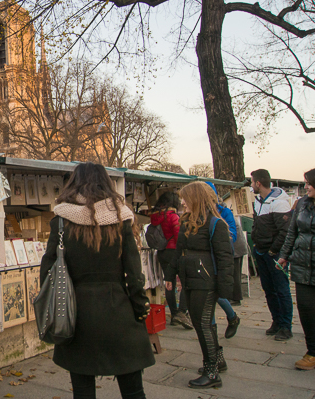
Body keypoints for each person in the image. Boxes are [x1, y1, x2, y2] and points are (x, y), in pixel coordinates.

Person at [40, 162, 155, 399]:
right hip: (119, 311)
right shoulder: (121, 218)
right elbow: (134, 274)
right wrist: (140, 308)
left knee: (83, 393)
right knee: (133, 391)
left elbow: (48, 270)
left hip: (77, 314)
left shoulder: (60, 220)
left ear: (74, 183)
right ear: (106, 183)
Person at [166, 182, 233, 389]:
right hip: (190, 280)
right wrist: (170, 275)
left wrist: (224, 289)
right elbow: (178, 252)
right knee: (204, 323)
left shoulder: (216, 224)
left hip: (205, 282)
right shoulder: (187, 222)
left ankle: (211, 371)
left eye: (185, 198)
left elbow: (225, 259)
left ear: (195, 198)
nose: (182, 202)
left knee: (202, 324)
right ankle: (217, 360)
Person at [278, 168, 315, 370]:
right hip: (302, 265)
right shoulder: (301, 204)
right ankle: (312, 352)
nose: (306, 186)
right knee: (307, 310)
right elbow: (292, 232)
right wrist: (284, 255)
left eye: (309, 183)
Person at [250, 169, 293, 341]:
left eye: (252, 182)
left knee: (281, 290)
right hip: (261, 251)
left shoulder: (279, 203)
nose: (252, 185)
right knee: (269, 290)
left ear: (258, 183)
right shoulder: (259, 201)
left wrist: (273, 251)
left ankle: (286, 326)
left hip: (273, 254)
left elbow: (284, 232)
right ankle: (276, 321)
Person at [150, 191, 193, 329]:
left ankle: (174, 314)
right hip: (174, 251)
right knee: (186, 282)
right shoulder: (173, 216)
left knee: (169, 283)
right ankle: (181, 312)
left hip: (162, 252)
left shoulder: (156, 216)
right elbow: (179, 237)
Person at [205, 182, 241, 339]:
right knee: (210, 296)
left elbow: (232, 233)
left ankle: (232, 317)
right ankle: (213, 334)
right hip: (205, 259)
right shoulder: (198, 213)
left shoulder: (224, 212)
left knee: (216, 294)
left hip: (218, 257)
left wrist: (220, 240)